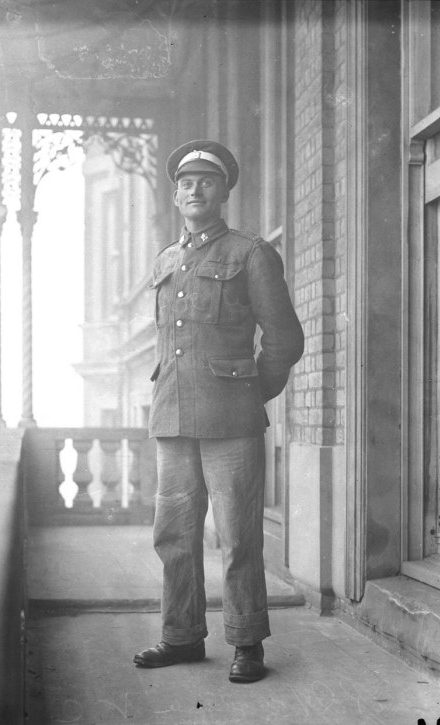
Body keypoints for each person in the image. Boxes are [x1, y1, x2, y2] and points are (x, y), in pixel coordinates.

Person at [133, 140, 304, 683]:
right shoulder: (165, 260)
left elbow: (284, 338)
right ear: (176, 193)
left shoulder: (250, 253)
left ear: (224, 190)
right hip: (173, 418)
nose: (195, 190)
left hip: (231, 419)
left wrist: (253, 393)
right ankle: (181, 635)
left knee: (237, 535)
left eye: (206, 180)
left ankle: (246, 642)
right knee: (173, 535)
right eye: (186, 182)